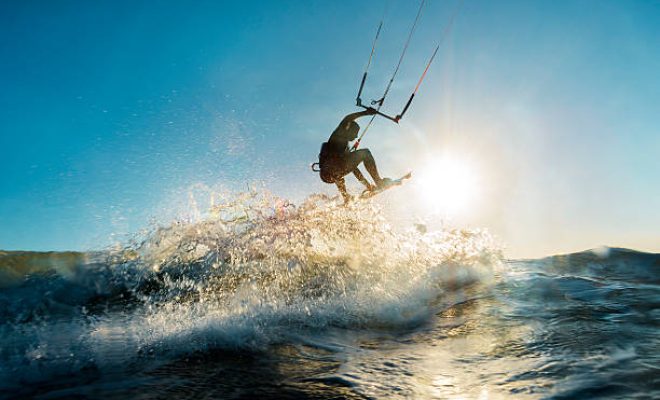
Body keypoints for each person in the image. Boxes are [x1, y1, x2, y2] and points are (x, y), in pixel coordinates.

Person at [318, 107, 392, 203]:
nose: (356, 136)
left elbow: (353, 168)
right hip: (329, 169)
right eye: (355, 132)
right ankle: (378, 182)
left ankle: (346, 198)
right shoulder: (338, 134)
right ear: (348, 129)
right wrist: (365, 112)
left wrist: (367, 185)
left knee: (338, 172)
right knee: (365, 153)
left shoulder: (345, 148)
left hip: (329, 173)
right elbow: (348, 118)